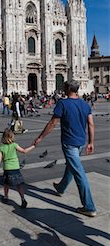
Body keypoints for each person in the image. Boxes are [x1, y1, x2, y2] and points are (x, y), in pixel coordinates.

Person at [34, 80, 96, 218]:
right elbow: (91, 124)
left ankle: (89, 206)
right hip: (80, 142)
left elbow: (52, 123)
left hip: (69, 143)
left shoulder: (63, 103)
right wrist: (91, 142)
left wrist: (40, 137)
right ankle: (61, 187)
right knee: (71, 166)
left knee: (79, 173)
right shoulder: (85, 104)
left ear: (67, 89)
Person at [0, 128, 35, 208]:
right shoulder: (14, 145)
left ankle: (6, 196)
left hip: (7, 169)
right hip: (15, 168)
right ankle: (23, 199)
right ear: (12, 137)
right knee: (19, 185)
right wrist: (33, 146)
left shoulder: (2, 147)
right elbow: (24, 151)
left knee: (6, 184)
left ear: (3, 137)